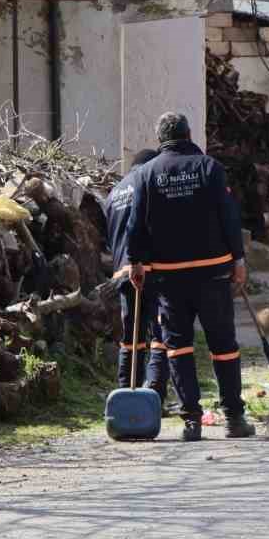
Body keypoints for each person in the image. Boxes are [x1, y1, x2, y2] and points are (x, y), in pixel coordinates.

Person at [128, 112, 255, 441]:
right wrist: (238, 259)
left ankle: (191, 422)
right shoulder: (210, 168)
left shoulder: (146, 174)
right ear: (189, 134)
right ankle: (234, 418)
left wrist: (135, 263)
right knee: (223, 345)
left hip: (169, 277)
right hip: (213, 272)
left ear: (160, 139)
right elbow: (229, 216)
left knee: (178, 347)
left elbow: (135, 224)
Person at [105, 147, 167, 401]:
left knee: (131, 336)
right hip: (149, 267)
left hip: (122, 270)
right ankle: (155, 393)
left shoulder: (114, 192)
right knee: (161, 333)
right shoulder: (149, 182)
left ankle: (126, 391)